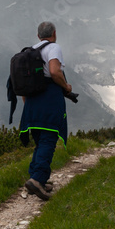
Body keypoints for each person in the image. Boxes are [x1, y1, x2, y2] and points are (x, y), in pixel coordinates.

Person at [18, 21, 74, 201]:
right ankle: (37, 179)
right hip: (48, 99)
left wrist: (28, 106)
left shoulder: (29, 52)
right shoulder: (54, 48)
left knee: (40, 140)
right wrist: (66, 87)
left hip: (31, 103)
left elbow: (22, 85)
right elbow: (55, 71)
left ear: (38, 36)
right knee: (49, 139)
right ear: (54, 33)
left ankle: (37, 178)